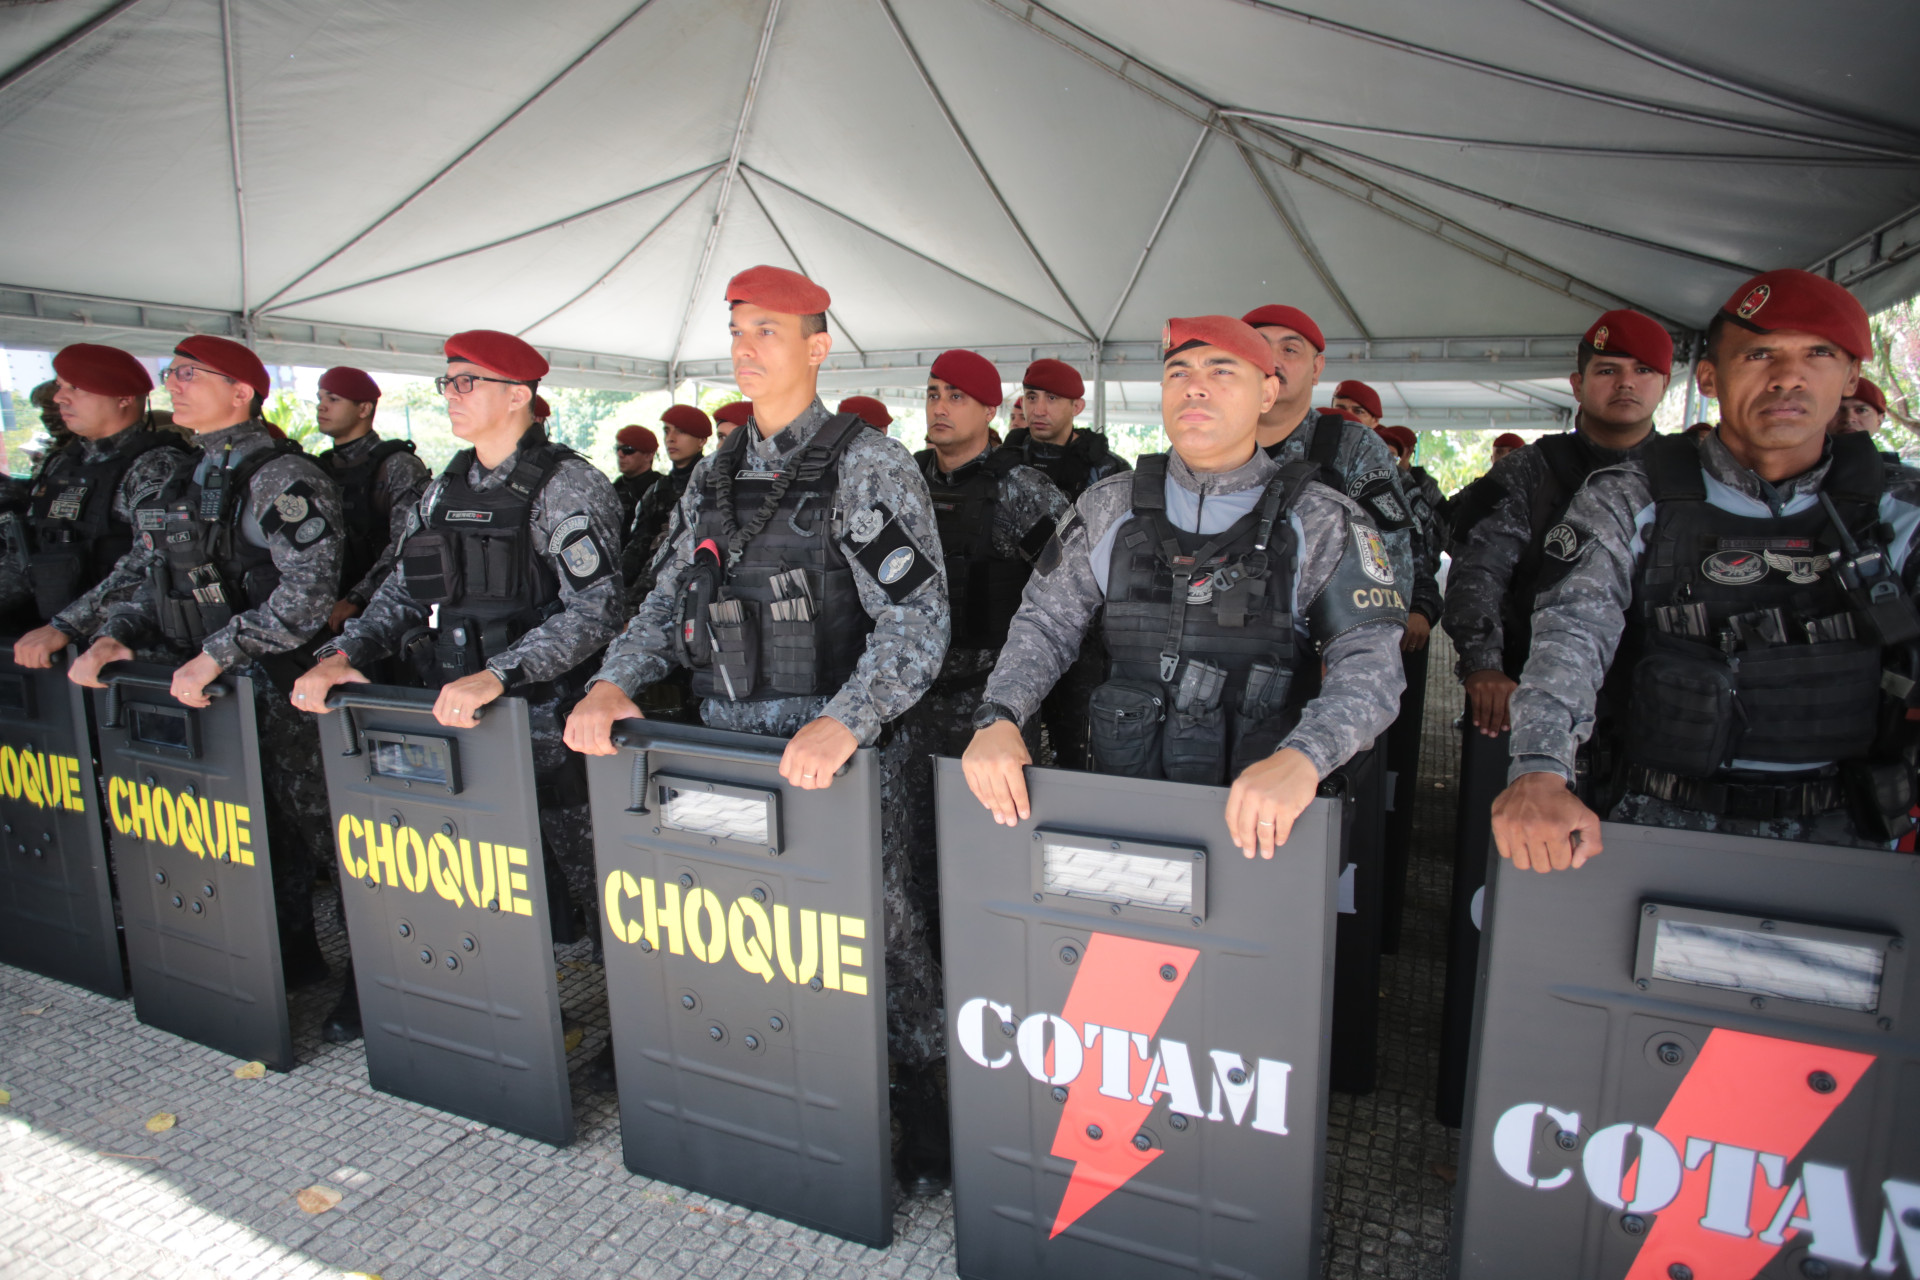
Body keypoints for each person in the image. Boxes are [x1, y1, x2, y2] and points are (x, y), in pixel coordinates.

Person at [564, 265, 952, 1193]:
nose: (745, 349)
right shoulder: (715, 469)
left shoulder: (867, 464)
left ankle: (926, 1087)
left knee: (880, 929)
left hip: (839, 760)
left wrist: (845, 721)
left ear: (819, 347)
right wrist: (613, 682)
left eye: (767, 331)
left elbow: (918, 621)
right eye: (737, 332)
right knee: (750, 922)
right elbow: (670, 594)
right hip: (726, 744)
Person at [1492, 270, 1919, 869]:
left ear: (1851, 377)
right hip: (1656, 816)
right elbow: (1571, 635)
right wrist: (1539, 769)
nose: (1788, 377)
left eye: (1818, 354)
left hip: (1847, 827)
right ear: (1710, 378)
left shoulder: (1901, 509)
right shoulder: (1631, 496)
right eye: (1759, 354)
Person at [961, 313, 1406, 856]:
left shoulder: (1321, 521)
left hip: (1266, 821)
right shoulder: (1109, 507)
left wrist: (1306, 757)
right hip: (1127, 804)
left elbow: (1371, 666)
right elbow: (1045, 622)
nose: (1195, 386)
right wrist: (1000, 714)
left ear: (1267, 393)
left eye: (1221, 371)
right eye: (1178, 373)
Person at [292, 329, 626, 1042]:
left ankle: (633, 1036)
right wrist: (345, 651)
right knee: (473, 870)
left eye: (467, 381)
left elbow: (597, 610)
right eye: (447, 382)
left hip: (546, 723)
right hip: (456, 713)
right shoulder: (444, 488)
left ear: (518, 396)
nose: (451, 395)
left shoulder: (567, 485)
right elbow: (403, 591)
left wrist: (499, 674)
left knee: (594, 882)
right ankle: (497, 1012)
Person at [33, 336, 346, 990]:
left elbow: (309, 593)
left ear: (240, 392)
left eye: (190, 374)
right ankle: (291, 962)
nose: (172, 384)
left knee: (328, 837)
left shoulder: (282, 477)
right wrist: (113, 633)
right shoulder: (185, 475)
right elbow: (152, 573)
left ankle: (371, 980)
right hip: (210, 684)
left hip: (280, 686)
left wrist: (217, 654)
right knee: (248, 833)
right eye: (171, 373)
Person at [1442, 309, 1672, 738]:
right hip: (1535, 687)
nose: (1626, 383)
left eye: (1643, 370)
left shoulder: (1690, 476)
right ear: (1578, 384)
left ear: (1666, 383)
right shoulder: (1529, 470)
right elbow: (1478, 571)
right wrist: (1482, 664)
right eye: (1608, 370)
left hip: (1659, 690)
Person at [905, 349, 1067, 942]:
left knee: (998, 845)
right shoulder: (902, 480)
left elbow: (1069, 589)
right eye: (933, 393)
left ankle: (999, 953)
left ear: (990, 410)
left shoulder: (1022, 490)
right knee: (913, 844)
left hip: (990, 706)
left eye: (957, 397)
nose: (940, 407)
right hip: (910, 704)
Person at [1240, 310, 1436, 651]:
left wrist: (1356, 654)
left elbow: (1388, 563)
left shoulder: (1353, 446)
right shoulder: (1207, 442)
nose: (1273, 360)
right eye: (1260, 347)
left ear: (1316, 368)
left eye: (1290, 350)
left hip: (1317, 649)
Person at [5, 345, 187, 642]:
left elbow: (152, 562)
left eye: (75, 388)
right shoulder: (63, 462)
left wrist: (67, 625)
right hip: (52, 632)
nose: (59, 398)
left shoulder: (156, 465)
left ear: (124, 398)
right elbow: (26, 551)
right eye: (61, 386)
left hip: (121, 640)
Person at [310, 366, 430, 636]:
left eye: (333, 399)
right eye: (320, 398)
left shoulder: (398, 466)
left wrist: (357, 597)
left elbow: (408, 544)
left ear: (364, 409)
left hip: (383, 614)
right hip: (327, 612)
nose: (321, 407)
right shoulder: (319, 468)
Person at [998, 358, 1128, 500]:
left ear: (1076, 407)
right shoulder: (1002, 458)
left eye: (1052, 398)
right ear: (1023, 403)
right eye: (1032, 397)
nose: (1038, 411)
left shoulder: (1108, 470)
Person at [623, 403, 710, 580]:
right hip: (650, 583)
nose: (670, 439)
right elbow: (637, 547)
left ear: (701, 440)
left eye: (681, 432)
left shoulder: (711, 485)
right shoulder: (657, 490)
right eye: (667, 431)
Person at [1444, 432, 1527, 551]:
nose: (1501, 458)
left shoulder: (1532, 491)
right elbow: (1447, 515)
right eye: (1498, 453)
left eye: (1511, 453)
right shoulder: (1479, 488)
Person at [610, 424, 660, 537]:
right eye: (618, 448)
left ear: (649, 455)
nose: (620, 454)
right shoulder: (614, 488)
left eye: (628, 450)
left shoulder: (662, 488)